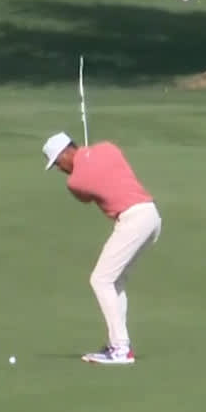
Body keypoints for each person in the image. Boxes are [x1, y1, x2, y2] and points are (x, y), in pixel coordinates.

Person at [42, 131, 163, 365]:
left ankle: (120, 348)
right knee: (115, 281)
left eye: (57, 163)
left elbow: (85, 197)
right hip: (152, 216)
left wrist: (84, 165)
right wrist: (90, 156)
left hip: (134, 220)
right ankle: (119, 343)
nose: (59, 169)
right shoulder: (108, 147)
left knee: (100, 280)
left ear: (65, 153)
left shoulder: (75, 182)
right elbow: (106, 165)